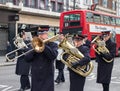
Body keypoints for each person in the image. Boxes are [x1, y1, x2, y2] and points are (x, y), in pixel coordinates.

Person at [24, 26, 58, 91]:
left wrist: (43, 45)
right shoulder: (34, 44)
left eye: (42, 34)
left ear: (47, 34)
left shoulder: (53, 45)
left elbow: (53, 56)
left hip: (47, 75)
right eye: (39, 34)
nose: (40, 36)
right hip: (36, 75)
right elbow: (26, 59)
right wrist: (34, 49)